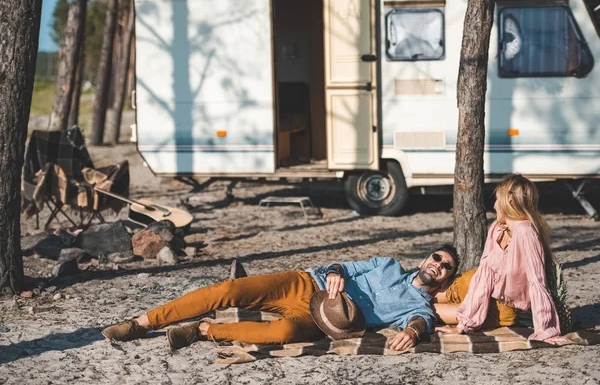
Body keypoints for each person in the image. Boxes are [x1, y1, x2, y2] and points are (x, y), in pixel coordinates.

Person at [102, 246, 459, 352]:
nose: (438, 264)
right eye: (436, 257)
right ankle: (141, 323)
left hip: (325, 321)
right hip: (305, 282)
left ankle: (204, 330)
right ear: (426, 258)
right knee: (228, 291)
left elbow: (420, 322)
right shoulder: (388, 265)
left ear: (448, 277)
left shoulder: (419, 307)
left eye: (446, 266)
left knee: (285, 333)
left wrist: (412, 332)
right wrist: (335, 272)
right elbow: (344, 264)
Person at [434, 174, 571, 345]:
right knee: (422, 293)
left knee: (428, 308)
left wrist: (546, 330)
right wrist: (465, 323)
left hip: (499, 308)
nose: (494, 205)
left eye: (497, 200)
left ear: (510, 203)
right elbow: (484, 275)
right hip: (472, 287)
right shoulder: (497, 229)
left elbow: (537, 282)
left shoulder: (526, 233)